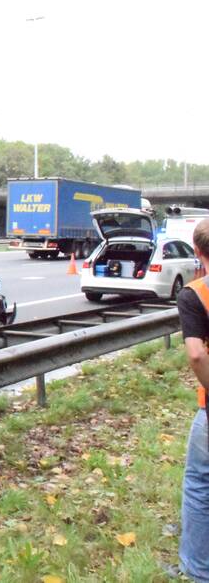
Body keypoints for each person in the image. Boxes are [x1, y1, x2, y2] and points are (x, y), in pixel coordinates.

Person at [177, 218, 209, 581]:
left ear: (198, 253)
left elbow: (197, 355)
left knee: (200, 483)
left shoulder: (194, 294)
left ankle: (198, 570)